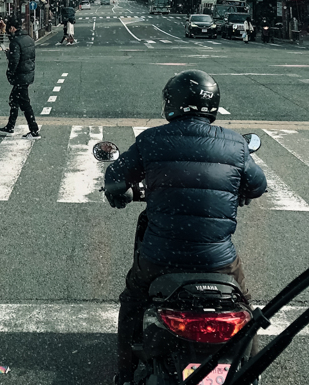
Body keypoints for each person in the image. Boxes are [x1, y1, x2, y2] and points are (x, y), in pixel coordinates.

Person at [104, 70, 267, 384]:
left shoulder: (151, 139)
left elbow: (115, 178)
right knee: (245, 304)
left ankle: (124, 374)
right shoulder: (234, 143)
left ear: (171, 104)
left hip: (160, 257)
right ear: (213, 106)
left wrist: (118, 192)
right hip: (217, 260)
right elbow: (257, 185)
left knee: (133, 300)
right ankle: (251, 374)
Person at [0, 16, 40, 138]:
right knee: (14, 100)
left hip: (20, 76)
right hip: (27, 74)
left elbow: (14, 61)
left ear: (12, 28)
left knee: (24, 103)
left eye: (8, 29)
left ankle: (34, 130)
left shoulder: (15, 42)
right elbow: (29, 57)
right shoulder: (29, 39)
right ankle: (10, 125)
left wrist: (10, 72)